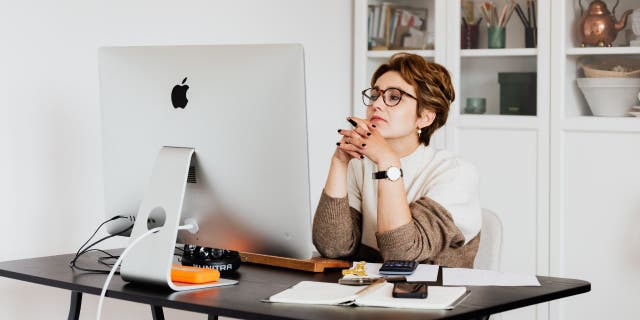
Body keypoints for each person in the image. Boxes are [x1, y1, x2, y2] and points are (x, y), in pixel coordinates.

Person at [312, 53, 481, 268]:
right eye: (375, 95)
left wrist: (388, 161)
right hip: (368, 295)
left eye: (394, 97)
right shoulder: (360, 165)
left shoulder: (456, 174)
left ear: (425, 117)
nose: (377, 104)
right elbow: (333, 248)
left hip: (433, 296)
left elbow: (402, 255)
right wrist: (339, 160)